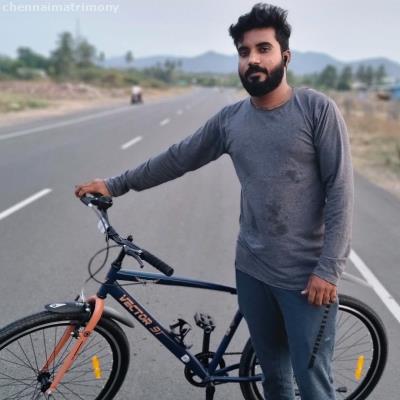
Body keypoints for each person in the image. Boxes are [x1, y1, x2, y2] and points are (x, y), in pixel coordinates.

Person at [75, 3, 354, 399]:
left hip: (307, 280)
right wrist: (115, 184)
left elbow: (340, 190)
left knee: (313, 386)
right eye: (244, 52)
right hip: (252, 270)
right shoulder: (230, 120)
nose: (252, 59)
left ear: (285, 57)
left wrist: (329, 269)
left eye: (263, 49)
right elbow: (177, 158)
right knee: (274, 380)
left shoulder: (316, 110)